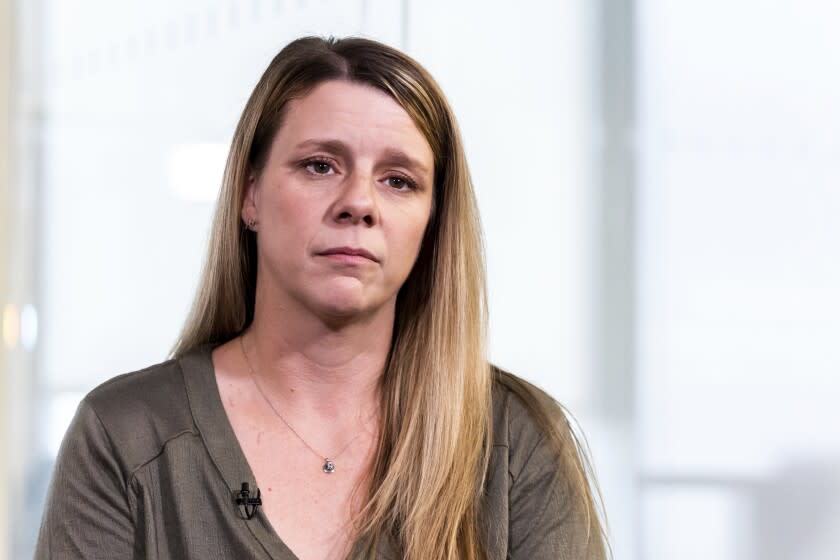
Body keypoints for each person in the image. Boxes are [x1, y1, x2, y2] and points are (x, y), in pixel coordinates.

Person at [35, 36, 608, 559]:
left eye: (398, 180)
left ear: (432, 224)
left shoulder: (517, 444)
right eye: (319, 165)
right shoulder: (126, 437)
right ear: (250, 195)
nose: (358, 202)